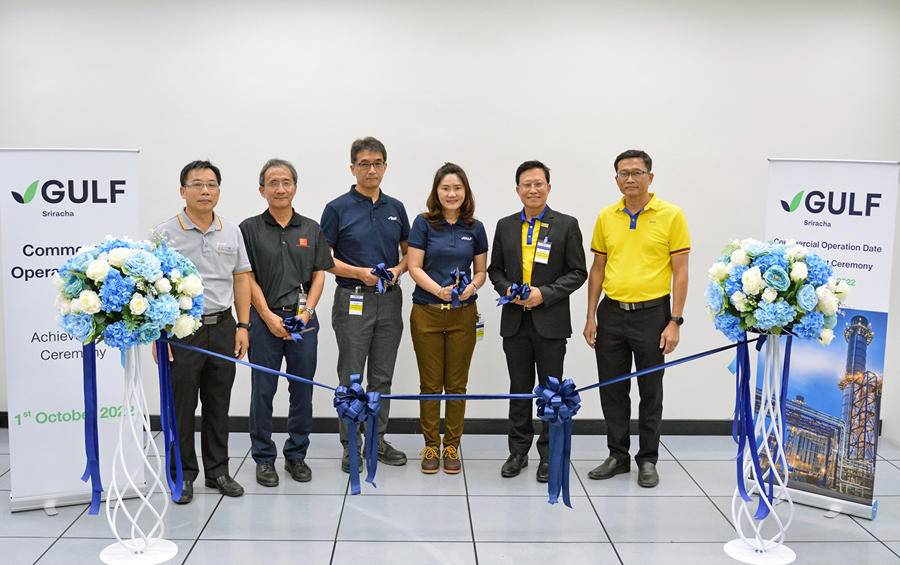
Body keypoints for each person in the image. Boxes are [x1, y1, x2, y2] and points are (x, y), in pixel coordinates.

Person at [583, 149, 690, 488]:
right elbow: (597, 268)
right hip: (611, 314)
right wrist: (590, 317)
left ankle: (648, 459)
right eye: (623, 174)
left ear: (650, 177)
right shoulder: (606, 216)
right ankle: (617, 455)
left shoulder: (672, 215)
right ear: (616, 179)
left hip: (653, 316)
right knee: (612, 390)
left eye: (637, 172)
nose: (630, 179)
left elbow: (681, 270)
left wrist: (675, 321)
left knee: (650, 391)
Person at [155, 160, 251, 504]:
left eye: (211, 184)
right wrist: (159, 335)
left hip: (223, 327)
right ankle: (183, 474)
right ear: (183, 191)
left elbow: (241, 278)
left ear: (219, 190)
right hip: (182, 332)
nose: (205, 191)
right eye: (197, 184)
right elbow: (153, 288)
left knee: (217, 403)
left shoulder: (231, 230)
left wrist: (243, 325)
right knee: (182, 406)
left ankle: (218, 471)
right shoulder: (165, 233)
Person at [487, 160, 587, 482]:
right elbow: (495, 270)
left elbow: (577, 272)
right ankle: (518, 452)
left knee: (551, 391)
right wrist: (508, 291)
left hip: (551, 322)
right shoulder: (504, 226)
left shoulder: (567, 225)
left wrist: (544, 293)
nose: (533, 189)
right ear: (517, 189)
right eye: (526, 184)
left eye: (538, 183)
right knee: (518, 390)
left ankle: (549, 454)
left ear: (548, 187)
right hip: (515, 322)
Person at [239, 158, 334, 487]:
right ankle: (264, 458)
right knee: (262, 391)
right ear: (262, 190)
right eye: (273, 183)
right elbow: (245, 277)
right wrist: (266, 316)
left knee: (302, 391)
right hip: (263, 322)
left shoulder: (311, 228)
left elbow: (320, 274)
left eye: (286, 182)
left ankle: (296, 455)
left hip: (303, 322)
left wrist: (306, 313)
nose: (280, 189)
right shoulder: (248, 229)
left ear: (295, 187)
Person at [320, 136, 410, 472]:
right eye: (364, 164)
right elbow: (324, 259)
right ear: (353, 168)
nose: (371, 170)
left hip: (389, 300)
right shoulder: (337, 208)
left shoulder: (396, 208)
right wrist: (360, 273)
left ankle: (377, 438)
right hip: (352, 299)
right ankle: (350, 445)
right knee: (352, 376)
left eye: (377, 163)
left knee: (382, 376)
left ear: (385, 167)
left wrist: (397, 272)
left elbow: (409, 254)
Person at [407, 163, 488, 474]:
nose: (452, 193)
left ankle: (452, 445)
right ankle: (430, 445)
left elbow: (480, 272)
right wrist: (439, 291)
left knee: (456, 385)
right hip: (427, 312)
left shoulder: (475, 227)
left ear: (465, 192)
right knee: (430, 384)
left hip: (463, 315)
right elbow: (414, 267)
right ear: (436, 192)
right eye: (445, 188)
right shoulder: (423, 223)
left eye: (457, 188)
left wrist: (471, 287)